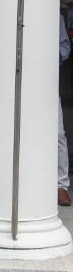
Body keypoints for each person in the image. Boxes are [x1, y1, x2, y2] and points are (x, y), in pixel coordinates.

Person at [58, 13, 71, 206]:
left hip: (44, 83)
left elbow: (65, 47)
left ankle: (60, 186)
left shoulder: (53, 14)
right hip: (11, 82)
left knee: (58, 135)